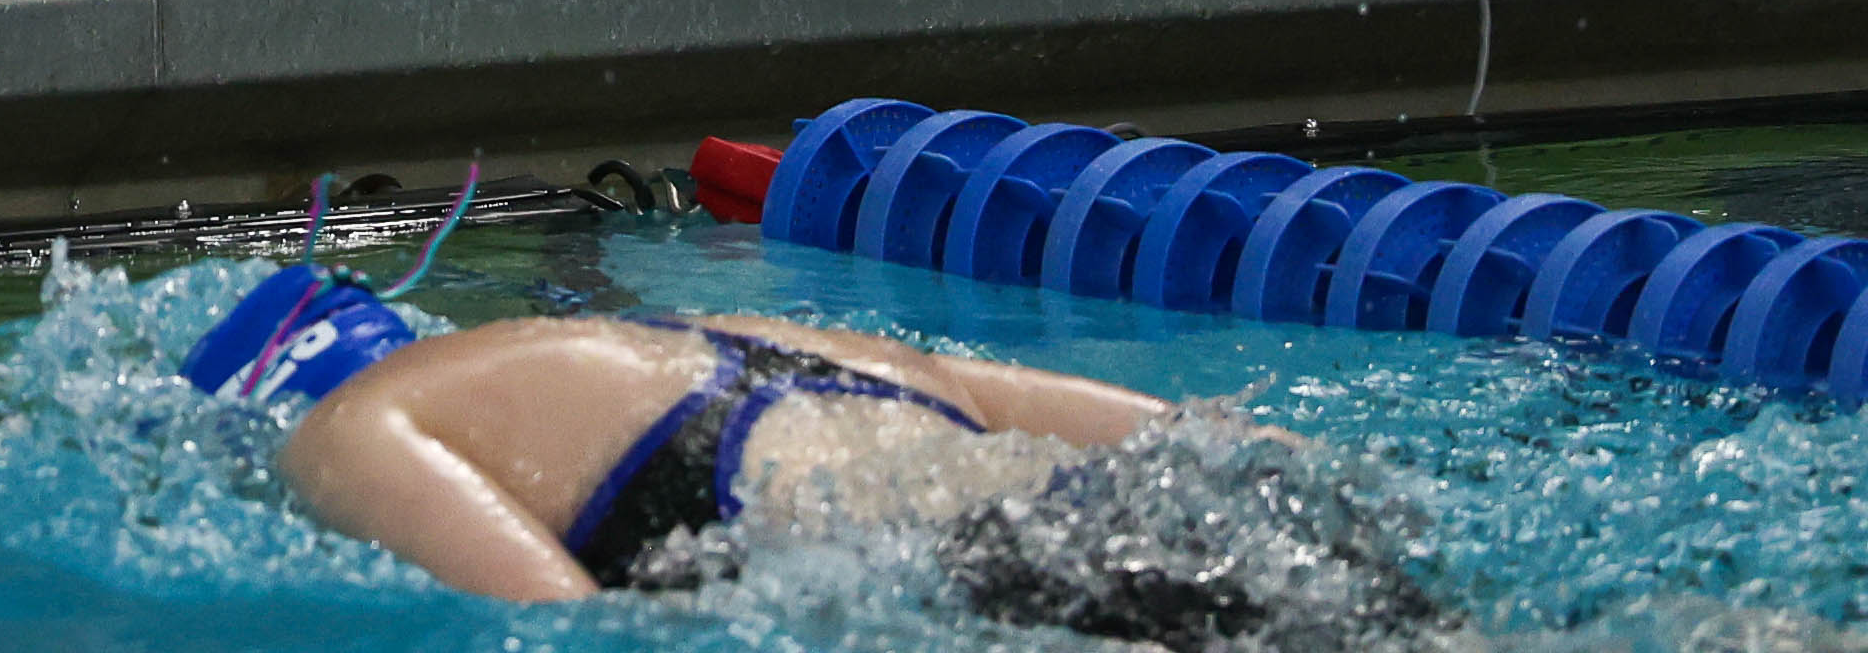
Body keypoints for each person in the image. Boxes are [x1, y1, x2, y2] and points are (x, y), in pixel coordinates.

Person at [188, 266, 1442, 633]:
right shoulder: (709, 332)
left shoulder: (352, 431)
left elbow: (575, 633)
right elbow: (1210, 435)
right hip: (1159, 506)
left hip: (997, 578)